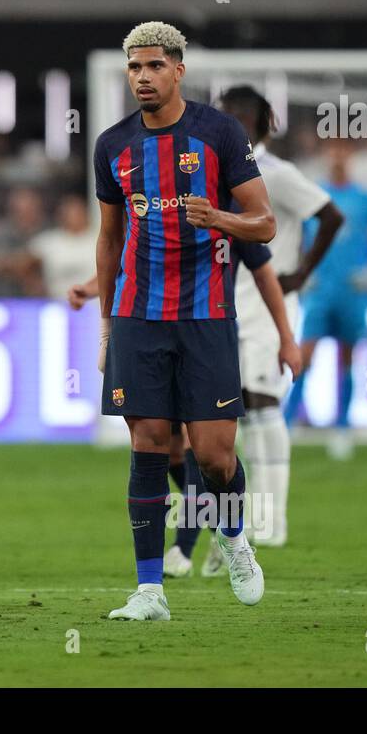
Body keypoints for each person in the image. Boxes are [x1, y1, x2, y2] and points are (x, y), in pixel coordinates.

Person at [93, 21, 275, 622]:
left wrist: (219, 217)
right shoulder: (112, 145)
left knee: (215, 456)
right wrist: (106, 327)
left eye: (154, 66)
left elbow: (265, 223)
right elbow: (109, 238)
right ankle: (150, 591)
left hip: (206, 315)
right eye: (134, 67)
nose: (142, 77)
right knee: (148, 443)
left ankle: (235, 541)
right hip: (138, 316)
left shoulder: (219, 133)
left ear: (178, 70)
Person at [67, 236, 302, 576]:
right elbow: (127, 254)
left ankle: (184, 549)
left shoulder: (227, 211)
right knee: (173, 451)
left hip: (205, 333)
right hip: (155, 333)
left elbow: (263, 269)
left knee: (203, 450)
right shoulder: (158, 215)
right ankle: (216, 528)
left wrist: (286, 337)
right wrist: (92, 288)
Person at [217, 85, 343, 545]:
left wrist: (301, 273)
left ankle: (272, 521)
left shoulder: (275, 173)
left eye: (240, 118)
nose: (232, 126)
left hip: (268, 309)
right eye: (225, 117)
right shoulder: (218, 173)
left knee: (262, 404)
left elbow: (331, 216)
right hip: (225, 308)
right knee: (238, 410)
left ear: (262, 123)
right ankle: (252, 517)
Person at [285, 139, 367, 460]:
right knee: (305, 356)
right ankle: (286, 424)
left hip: (353, 291)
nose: (337, 156)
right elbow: (288, 232)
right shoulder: (313, 195)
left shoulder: (365, 199)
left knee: (347, 358)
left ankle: (342, 428)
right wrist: (299, 269)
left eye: (343, 150)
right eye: (332, 149)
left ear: (351, 156)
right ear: (325, 155)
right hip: (319, 291)